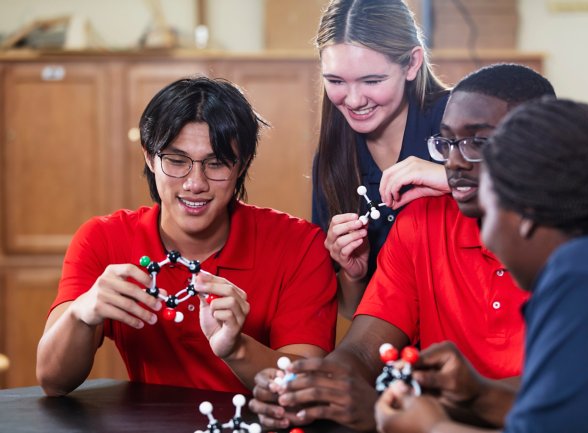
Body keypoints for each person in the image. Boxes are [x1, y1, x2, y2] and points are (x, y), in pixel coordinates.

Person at [250, 64, 556, 431]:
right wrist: (309, 387)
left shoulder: (577, 243)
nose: (455, 162)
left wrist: (391, 411)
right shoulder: (420, 222)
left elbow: (571, 392)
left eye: (477, 142)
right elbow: (363, 351)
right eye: (447, 144)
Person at [35, 77, 338, 396]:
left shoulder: (299, 245)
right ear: (150, 158)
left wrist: (236, 349)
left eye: (216, 163)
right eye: (177, 161)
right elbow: (53, 381)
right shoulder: (103, 239)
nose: (195, 183)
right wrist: (82, 313)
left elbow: (307, 387)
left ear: (243, 163)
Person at [375, 99, 588, 433]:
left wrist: (427, 428)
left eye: (486, 214)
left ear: (526, 216)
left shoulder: (584, 278)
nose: (485, 237)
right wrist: (479, 394)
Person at [311, 0, 451, 318]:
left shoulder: (457, 119)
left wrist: (452, 178)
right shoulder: (332, 160)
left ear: (412, 63)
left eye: (372, 81)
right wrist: (352, 273)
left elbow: (533, 193)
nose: (354, 99)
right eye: (335, 81)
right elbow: (352, 313)